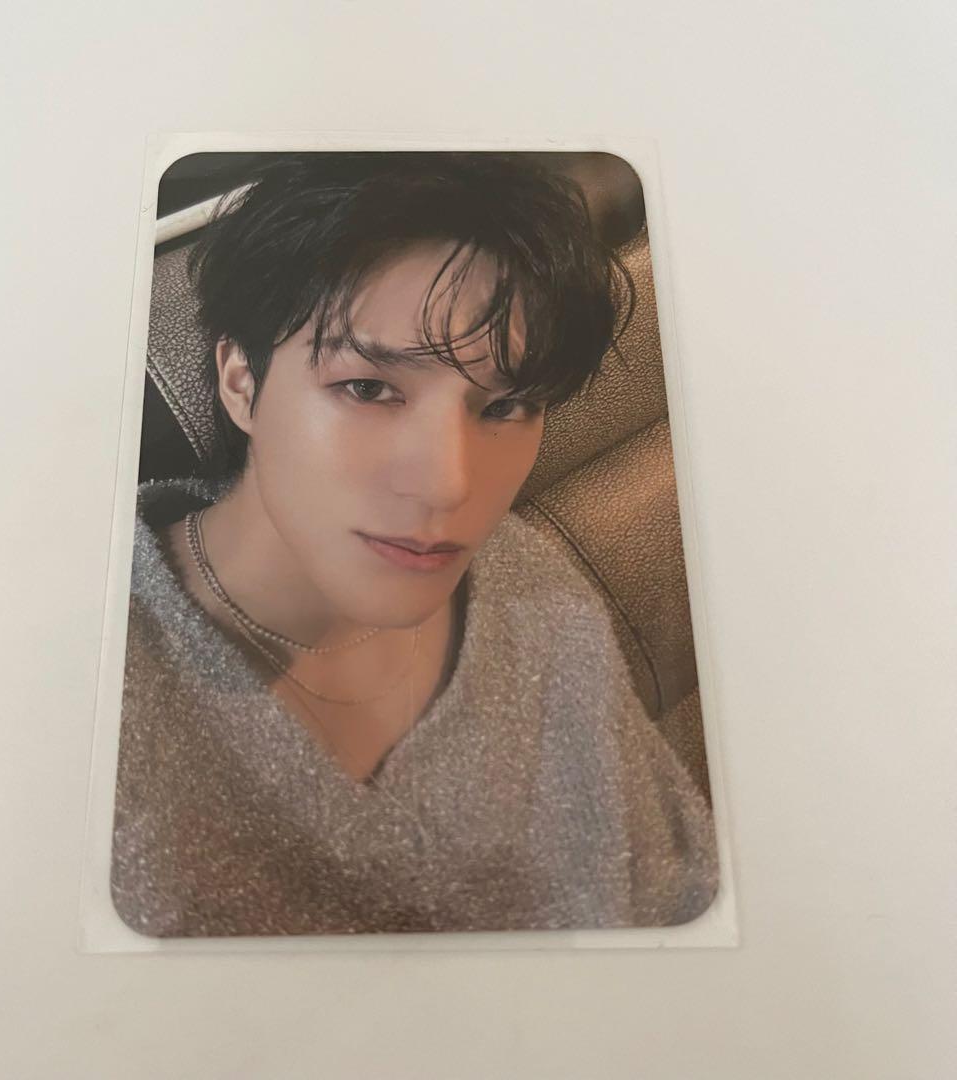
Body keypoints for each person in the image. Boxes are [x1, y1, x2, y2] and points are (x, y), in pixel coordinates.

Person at [111, 153, 718, 937]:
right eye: (368, 388)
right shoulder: (86, 691)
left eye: (505, 407)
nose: (449, 485)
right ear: (240, 380)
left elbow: (679, 897)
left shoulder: (533, 589)